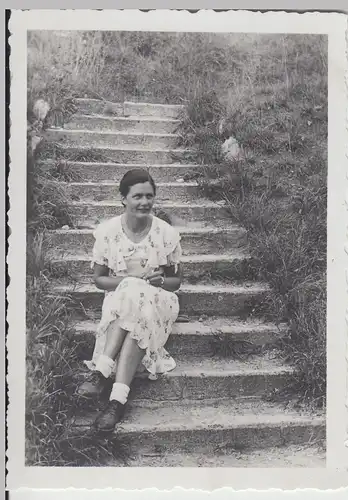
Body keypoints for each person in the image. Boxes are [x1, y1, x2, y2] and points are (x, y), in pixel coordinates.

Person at [77, 168, 182, 433]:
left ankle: (101, 370)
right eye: (137, 196)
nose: (144, 202)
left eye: (149, 196)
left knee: (138, 294)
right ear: (123, 198)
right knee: (132, 294)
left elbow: (175, 283)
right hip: (120, 300)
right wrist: (132, 282)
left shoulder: (165, 233)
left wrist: (155, 282)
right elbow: (99, 279)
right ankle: (118, 400)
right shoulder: (108, 232)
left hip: (160, 302)